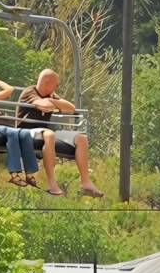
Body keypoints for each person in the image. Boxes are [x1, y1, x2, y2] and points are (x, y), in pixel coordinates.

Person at [17, 68, 105, 198]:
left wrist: (52, 101)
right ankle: (52, 183)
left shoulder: (51, 95)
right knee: (50, 134)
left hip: (44, 130)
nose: (56, 88)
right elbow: (43, 105)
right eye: (55, 85)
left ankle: (85, 181)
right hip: (27, 131)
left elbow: (71, 108)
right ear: (49, 83)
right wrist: (51, 104)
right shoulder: (30, 92)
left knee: (81, 137)